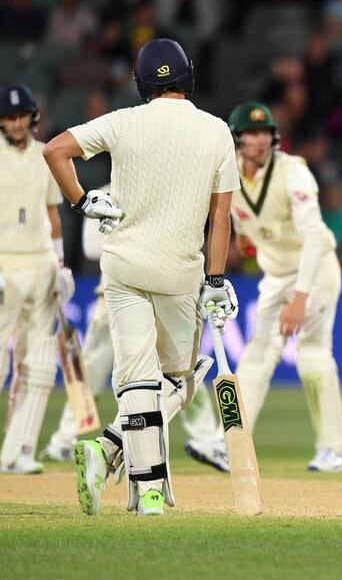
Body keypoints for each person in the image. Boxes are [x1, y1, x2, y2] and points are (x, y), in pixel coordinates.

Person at [43, 38, 240, 517]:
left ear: (142, 82)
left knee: (136, 380)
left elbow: (54, 150)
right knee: (178, 380)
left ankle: (129, 472)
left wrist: (81, 201)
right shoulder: (216, 131)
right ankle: (124, 463)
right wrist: (215, 279)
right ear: (187, 78)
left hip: (124, 267)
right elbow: (221, 217)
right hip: (178, 271)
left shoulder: (124, 121)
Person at [40, 196, 228, 473]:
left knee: (177, 372)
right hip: (115, 297)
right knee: (93, 372)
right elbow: (92, 247)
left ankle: (205, 438)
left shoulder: (175, 195)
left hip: (165, 293)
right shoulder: (106, 193)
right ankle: (65, 439)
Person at [221, 101, 342, 471]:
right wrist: (246, 239)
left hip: (317, 270)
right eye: (251, 134)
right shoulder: (228, 171)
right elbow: (245, 221)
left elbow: (312, 238)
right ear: (238, 138)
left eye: (264, 133)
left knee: (312, 357)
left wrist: (300, 298)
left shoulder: (294, 173)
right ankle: (231, 442)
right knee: (256, 357)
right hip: (276, 275)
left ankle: (332, 449)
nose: (259, 141)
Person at [0, 84, 74, 474]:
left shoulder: (46, 154)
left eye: (21, 116)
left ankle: (18, 451)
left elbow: (53, 215)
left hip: (40, 263)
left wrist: (59, 266)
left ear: (32, 116)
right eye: (9, 117)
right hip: (4, 264)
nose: (15, 124)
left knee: (42, 365)